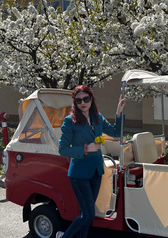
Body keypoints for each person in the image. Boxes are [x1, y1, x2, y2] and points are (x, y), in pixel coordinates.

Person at [57, 85, 126, 238]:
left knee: (86, 214)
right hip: (79, 174)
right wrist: (85, 148)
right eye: (78, 100)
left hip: (96, 171)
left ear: (91, 99)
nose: (83, 102)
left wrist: (118, 114)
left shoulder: (97, 118)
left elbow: (115, 133)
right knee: (88, 215)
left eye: (86, 98)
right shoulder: (70, 121)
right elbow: (62, 150)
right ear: (74, 102)